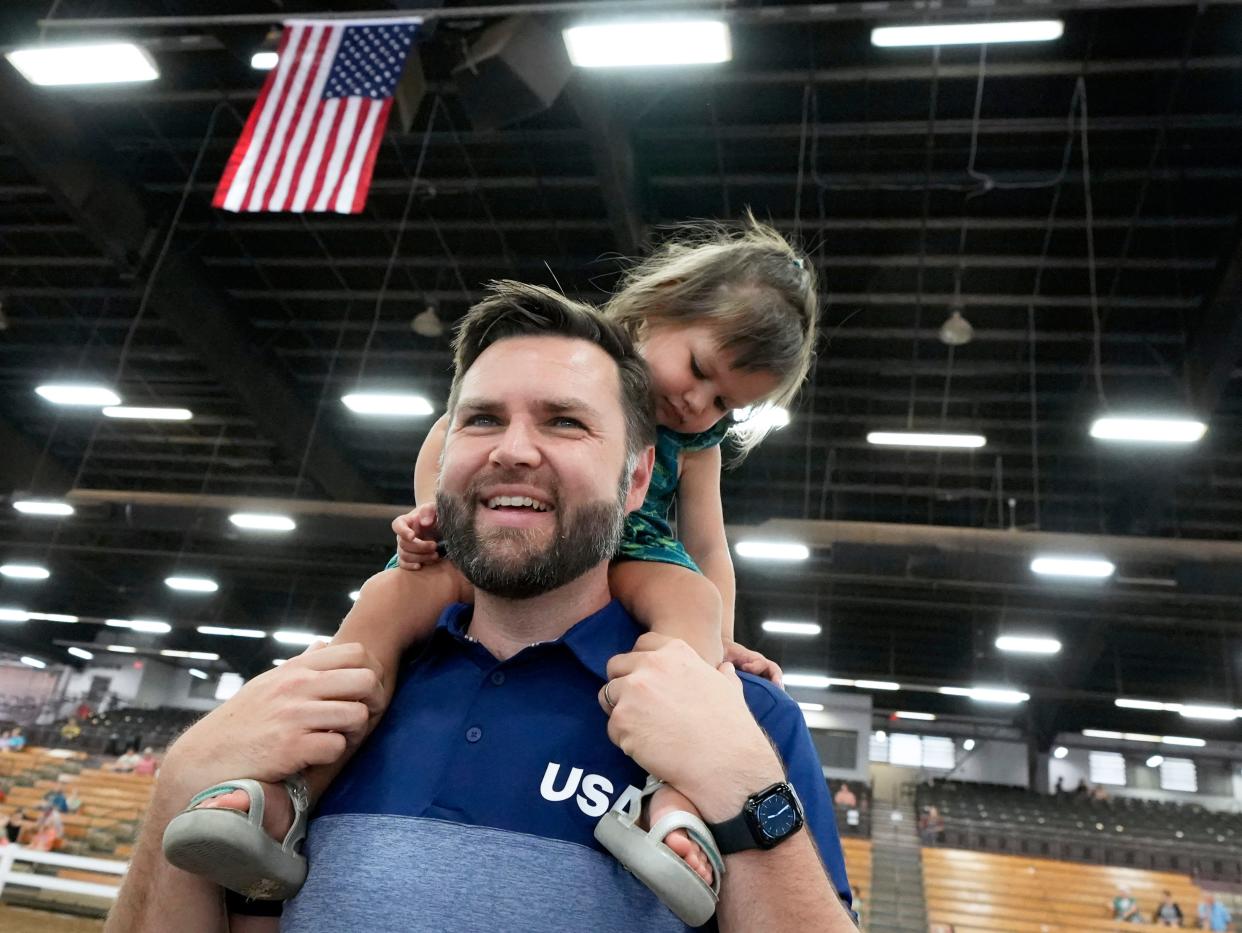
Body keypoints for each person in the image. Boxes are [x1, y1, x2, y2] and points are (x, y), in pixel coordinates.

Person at [108, 284, 854, 933]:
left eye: (565, 421)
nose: (514, 451)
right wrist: (181, 778)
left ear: (636, 475)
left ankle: (673, 806)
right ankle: (287, 800)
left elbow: (709, 548)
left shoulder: (752, 723)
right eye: (482, 419)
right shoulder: (305, 699)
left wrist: (733, 738)